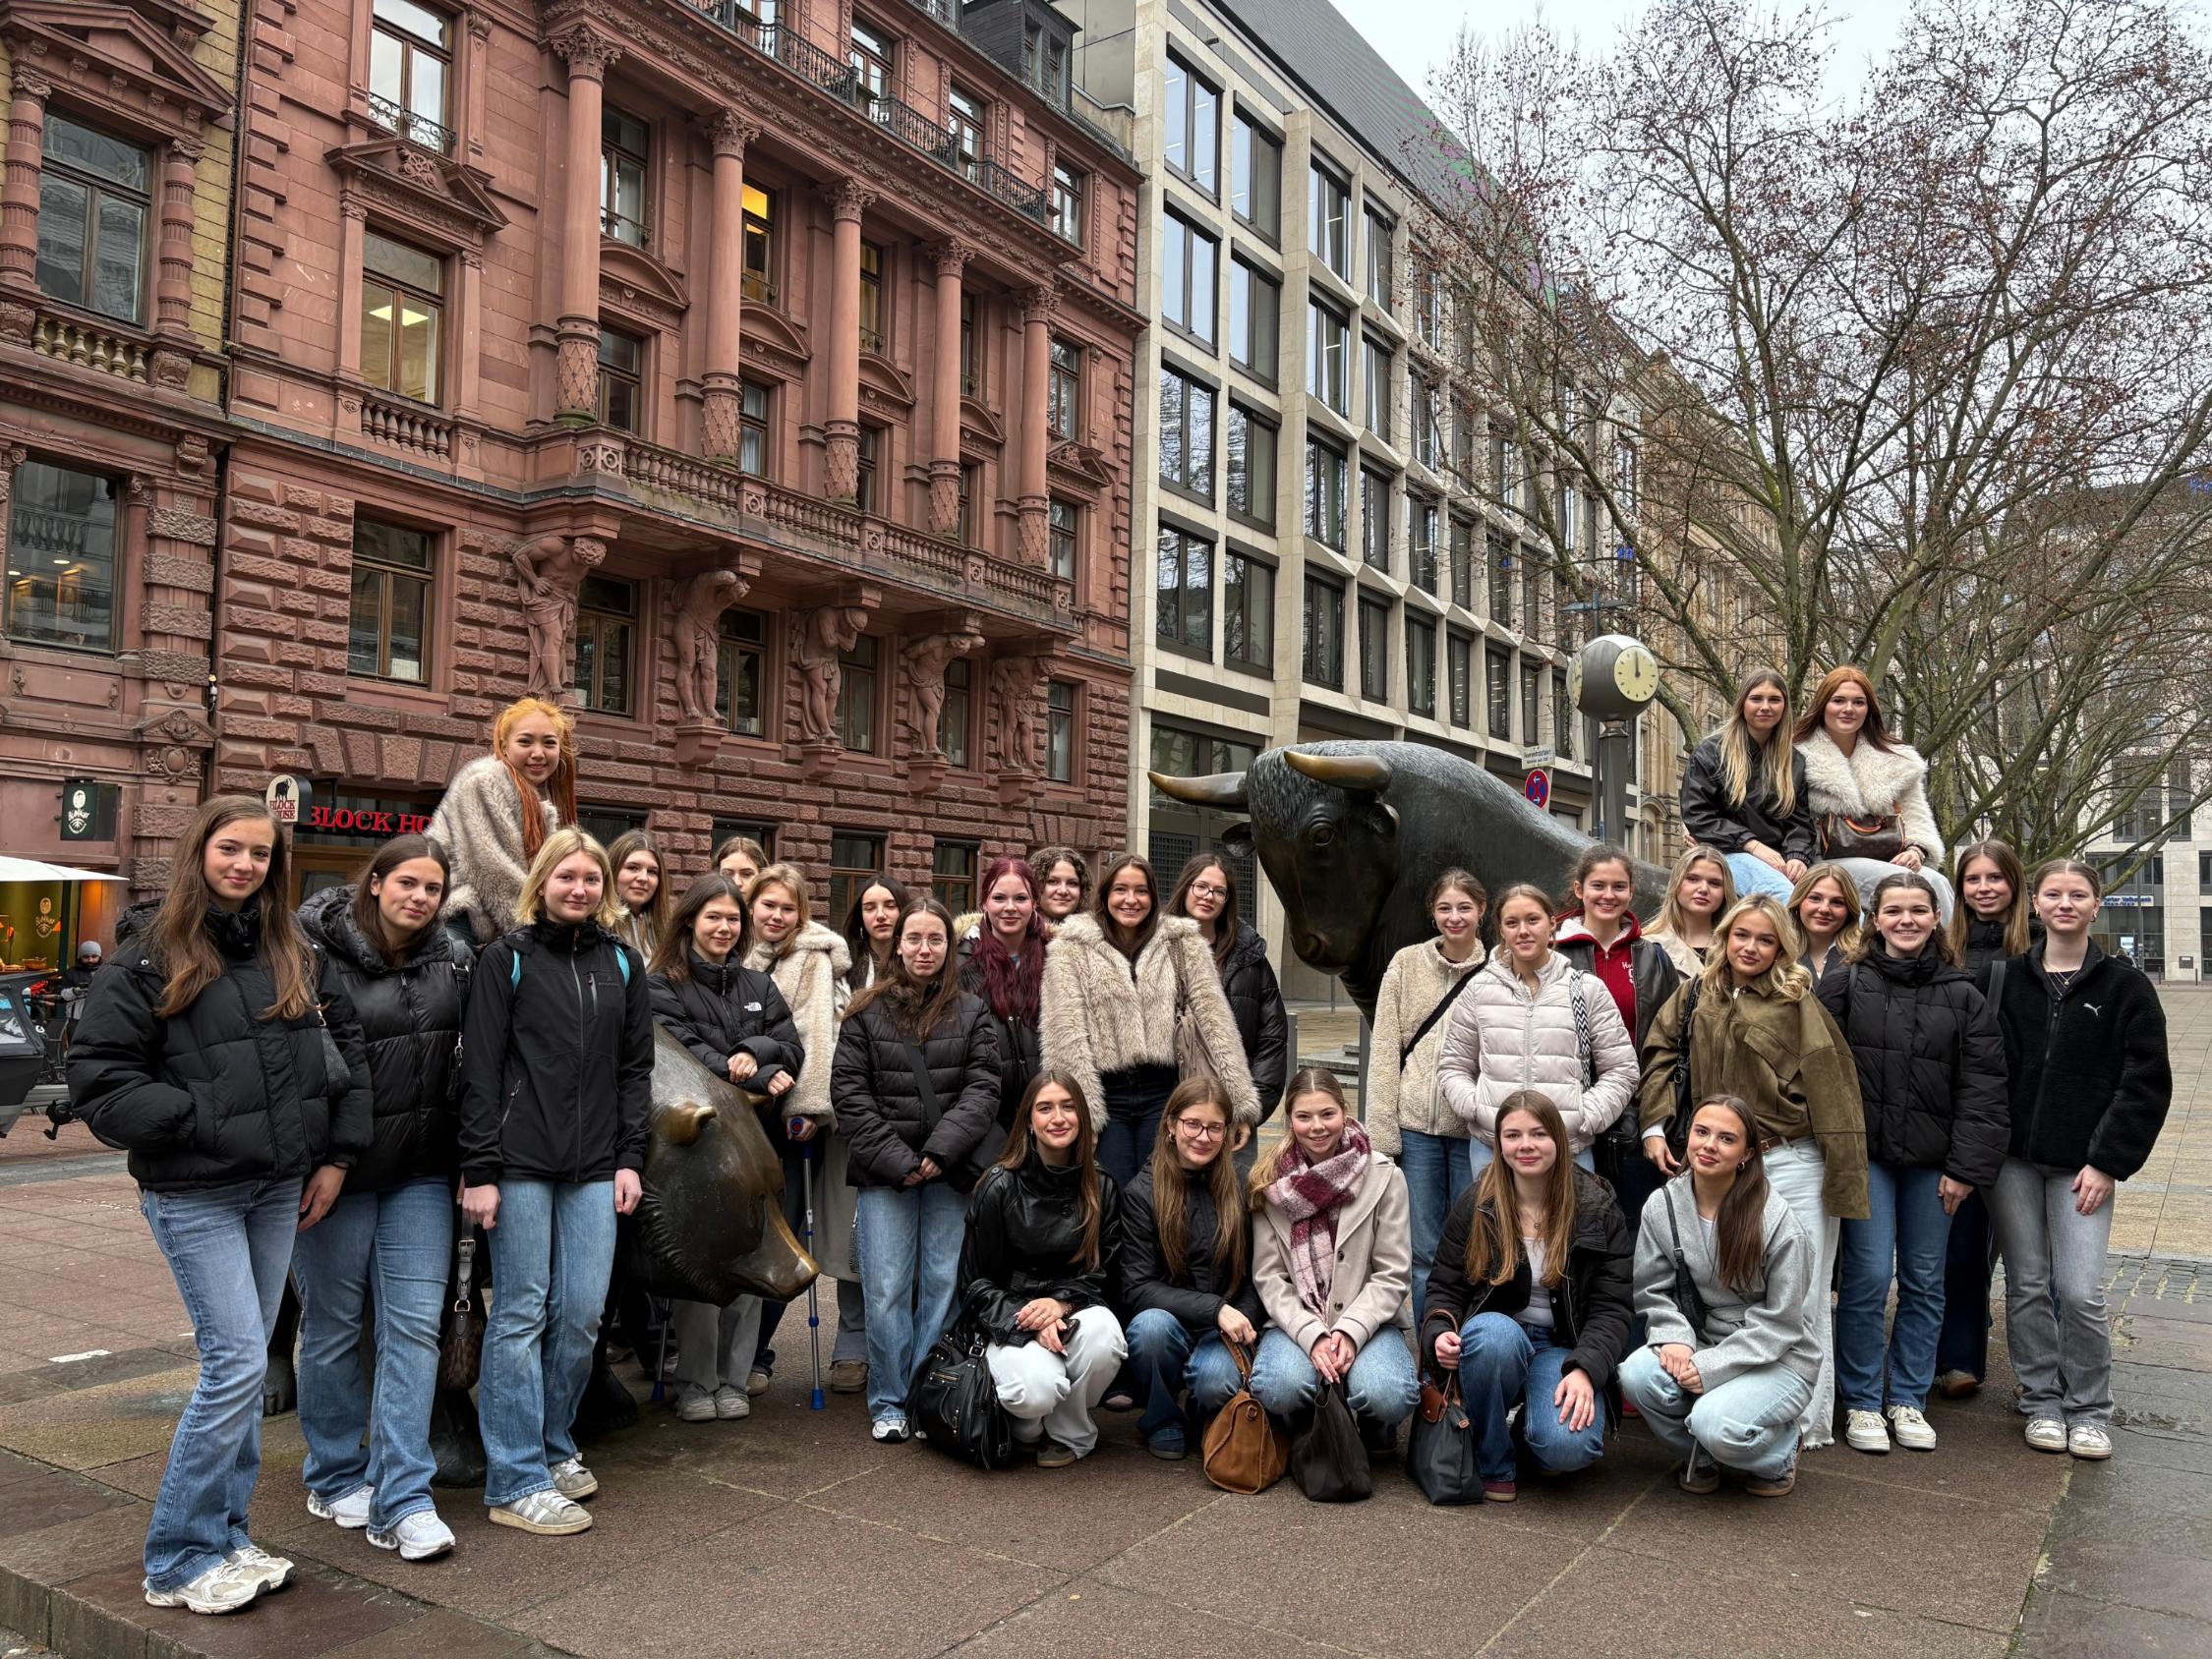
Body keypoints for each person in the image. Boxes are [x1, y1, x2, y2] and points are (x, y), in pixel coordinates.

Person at [69, 797, 372, 1614]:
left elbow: (340, 1062)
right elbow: (99, 1079)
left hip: (277, 1190)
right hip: (195, 1190)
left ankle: (227, 1536)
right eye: (229, 849)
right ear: (199, 852)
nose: (244, 865)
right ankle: (177, 1559)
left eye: (261, 855)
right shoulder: (146, 957)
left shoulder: (288, 951)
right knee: (237, 1365)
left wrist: (333, 1156)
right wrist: (196, 1121)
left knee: (236, 1376)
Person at [457, 827, 651, 1535]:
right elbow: (478, 1071)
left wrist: (630, 1158)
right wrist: (480, 1170)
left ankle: (553, 1441)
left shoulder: (623, 965)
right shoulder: (505, 960)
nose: (579, 888)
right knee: (520, 1314)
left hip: (596, 1166)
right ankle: (514, 1477)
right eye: (566, 876)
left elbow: (636, 1073)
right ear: (542, 881)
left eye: (591, 879)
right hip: (520, 1164)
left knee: (581, 1317)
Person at [291, 836, 468, 1563]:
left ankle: (404, 1495)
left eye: (432, 888)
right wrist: (328, 1158)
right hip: (340, 1171)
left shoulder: (453, 959)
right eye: (408, 884)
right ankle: (334, 1474)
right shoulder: (315, 952)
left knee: (413, 1329)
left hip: (420, 1174)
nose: (419, 898)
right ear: (375, 883)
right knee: (332, 1326)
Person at [1638, 893, 1867, 1451]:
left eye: (1766, 939)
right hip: (1715, 1161)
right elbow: (1660, 1053)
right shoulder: (1696, 993)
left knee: (1804, 1296)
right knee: (1725, 1290)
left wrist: (1844, 1182)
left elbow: (1836, 1094)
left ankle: (1804, 1429)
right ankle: (1735, 1406)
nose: (1751, 947)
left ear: (1781, 947)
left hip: (1787, 1159)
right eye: (1743, 935)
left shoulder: (1797, 1002)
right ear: (1725, 937)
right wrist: (1655, 1123)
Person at [1987, 859, 2172, 1461]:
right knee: (2027, 1284)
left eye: (2078, 895)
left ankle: (2089, 1408)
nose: (2065, 904)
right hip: (2013, 1161)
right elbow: (1986, 1070)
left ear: (2097, 905)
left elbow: (2144, 1082)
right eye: (2053, 894)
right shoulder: (2007, 979)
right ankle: (2041, 1399)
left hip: (2083, 1167)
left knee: (2081, 1289)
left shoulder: (2126, 988)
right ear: (2035, 904)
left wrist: (2108, 1161)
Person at [1818, 873, 2008, 1456]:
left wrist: (1966, 1166)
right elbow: (1818, 1065)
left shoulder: (1964, 992)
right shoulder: (1847, 981)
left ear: (1935, 919)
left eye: (1918, 911)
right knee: (1869, 1278)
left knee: (1926, 1281)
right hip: (1867, 1156)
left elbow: (1984, 1086)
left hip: (1935, 1163)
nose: (1906, 920)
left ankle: (1906, 1396)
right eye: (1894, 910)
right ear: (1875, 920)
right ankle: (1862, 1401)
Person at [833, 896, 1003, 1442]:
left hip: (949, 1173)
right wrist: (902, 1162)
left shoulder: (973, 1011)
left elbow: (983, 1089)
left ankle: (927, 1391)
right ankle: (887, 1399)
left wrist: (938, 1154)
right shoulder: (864, 1011)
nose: (923, 949)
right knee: (884, 1289)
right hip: (886, 1177)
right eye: (914, 939)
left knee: (940, 1285)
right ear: (897, 945)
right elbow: (850, 1096)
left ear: (949, 948)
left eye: (935, 939)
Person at [647, 873, 804, 1423]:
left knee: (752, 1258)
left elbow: (791, 1045)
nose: (724, 927)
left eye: (733, 919)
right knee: (707, 1265)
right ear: (690, 919)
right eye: (713, 916)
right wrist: (747, 1073)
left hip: (755, 1146)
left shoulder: (758, 985)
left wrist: (752, 1053)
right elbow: (675, 1049)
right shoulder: (662, 983)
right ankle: (696, 1380)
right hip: (701, 1153)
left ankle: (734, 1379)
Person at [1423, 1091, 1634, 1501]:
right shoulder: (1478, 1202)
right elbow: (1445, 1286)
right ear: (1497, 1143)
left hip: (1563, 1348)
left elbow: (1612, 1307)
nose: (1526, 1146)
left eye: (1538, 1134)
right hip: (1497, 1343)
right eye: (1513, 1135)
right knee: (1491, 1335)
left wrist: (1586, 1369)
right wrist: (1437, 1334)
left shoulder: (1596, 1206)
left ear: (1558, 1137)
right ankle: (1492, 1459)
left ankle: (1529, 1431)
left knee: (1569, 1449)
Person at [1620, 1095, 1822, 1498]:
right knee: (1636, 1374)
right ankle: (1705, 1455)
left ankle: (1780, 1450)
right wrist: (1673, 1334)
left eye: (1726, 1139)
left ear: (1747, 1154)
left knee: (1715, 1423)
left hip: (1779, 1356)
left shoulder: (1779, 1223)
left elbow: (1783, 1321)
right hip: (1703, 1337)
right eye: (1701, 1132)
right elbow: (1651, 1289)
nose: (1709, 1145)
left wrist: (1712, 1366)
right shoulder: (1663, 1205)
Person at [1039, 854, 1258, 1190]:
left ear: (1153, 897)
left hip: (1165, 1092)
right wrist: (1083, 1114)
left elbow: (1217, 1025)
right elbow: (1065, 1035)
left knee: (1165, 1193)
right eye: (1121, 890)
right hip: (1106, 1094)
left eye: (1141, 891)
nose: (1131, 900)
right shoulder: (1071, 946)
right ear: (1105, 895)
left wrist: (1239, 1104)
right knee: (1112, 1192)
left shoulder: (1182, 942)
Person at [958, 1071, 1128, 1464]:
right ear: (1029, 1121)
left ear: (1083, 1118)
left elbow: (1105, 1273)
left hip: (1069, 1311)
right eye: (1045, 1108)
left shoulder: (1101, 1186)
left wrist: (1060, 1304)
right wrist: (1032, 1317)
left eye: (1069, 1107)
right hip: (1008, 1317)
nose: (1058, 1118)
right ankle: (1026, 1428)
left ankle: (1069, 1433)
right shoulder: (998, 1185)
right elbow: (973, 1283)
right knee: (1036, 1391)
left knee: (1106, 1335)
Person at [1248, 1068, 1421, 1447]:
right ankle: (1307, 1419)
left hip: (1366, 1321)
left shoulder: (1384, 1177)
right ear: (1289, 1119)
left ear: (1344, 1111)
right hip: (1298, 1320)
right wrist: (1312, 1335)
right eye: (1304, 1116)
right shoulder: (1269, 1184)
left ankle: (1375, 1421)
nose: (1317, 1127)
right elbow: (1269, 1278)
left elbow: (1392, 1274)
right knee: (1279, 1388)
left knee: (1389, 1394)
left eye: (1327, 1114)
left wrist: (1349, 1331)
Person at [743, 864, 865, 1394]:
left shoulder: (811, 957)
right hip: (738, 1111)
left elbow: (815, 1035)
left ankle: (756, 1351)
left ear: (802, 915)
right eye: (768, 905)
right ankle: (724, 1351)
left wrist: (809, 1107)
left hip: (787, 1116)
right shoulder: (736, 949)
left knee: (783, 1231)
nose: (776, 916)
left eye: (787, 908)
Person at [1434, 883, 1637, 1180]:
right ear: (1502, 930)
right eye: (1512, 923)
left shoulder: (1586, 989)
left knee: (1571, 1228)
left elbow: (1621, 1069)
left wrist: (1584, 1116)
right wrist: (1478, 1108)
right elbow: (1453, 1065)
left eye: (1533, 920)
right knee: (1495, 1227)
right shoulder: (1478, 990)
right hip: (1494, 1149)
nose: (1523, 931)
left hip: (1568, 1149)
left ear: (1552, 924)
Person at [1935, 838, 2038, 1399]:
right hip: (1963, 1112)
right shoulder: (1945, 949)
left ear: (2014, 884)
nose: (1983, 889)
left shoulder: (2040, 947)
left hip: (2023, 1116)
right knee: (1964, 1245)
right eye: (1972, 879)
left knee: (2030, 1256)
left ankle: (2041, 1373)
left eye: (1994, 878)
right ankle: (1959, 1358)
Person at [1367, 870, 1488, 1320]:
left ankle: (1462, 1344)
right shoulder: (1405, 964)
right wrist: (1382, 1132)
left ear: (1481, 910)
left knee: (1472, 1243)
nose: (1454, 917)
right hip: (1415, 1128)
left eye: (1463, 907)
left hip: (1470, 1131)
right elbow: (1384, 1048)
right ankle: (1427, 1356)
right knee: (1422, 1251)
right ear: (1432, 913)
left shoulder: (1495, 969)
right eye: (1444, 908)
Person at [1122, 1077, 1265, 1459]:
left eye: (1215, 1127)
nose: (1203, 1137)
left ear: (1228, 1132)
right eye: (1193, 1124)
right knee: (1149, 1330)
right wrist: (1214, 1309)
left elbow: (1259, 1275)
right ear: (1171, 1126)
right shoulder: (1143, 1192)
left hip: (1229, 1325)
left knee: (1215, 1381)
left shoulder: (1239, 1186)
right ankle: (1162, 1415)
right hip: (1174, 1322)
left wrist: (1243, 1319)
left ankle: (1203, 1410)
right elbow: (1137, 1287)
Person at [1553, 846, 1682, 1268]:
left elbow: (1667, 1040)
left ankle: (1633, 1328)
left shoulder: (1651, 956)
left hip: (1635, 1112)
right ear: (1579, 890)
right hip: (1571, 1109)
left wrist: (1658, 1114)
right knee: (1574, 1226)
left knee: (1634, 1225)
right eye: (1598, 886)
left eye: (1619, 886)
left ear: (1632, 892)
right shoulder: (1553, 953)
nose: (1608, 895)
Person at [1795, 665, 1952, 917]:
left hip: (1889, 858)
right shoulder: (1796, 757)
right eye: (1838, 701)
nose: (1849, 709)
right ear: (1822, 705)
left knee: (1937, 881)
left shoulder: (1898, 760)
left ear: (1869, 709)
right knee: (1923, 886)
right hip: (1822, 862)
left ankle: (1950, 951)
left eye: (1858, 702)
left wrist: (1916, 851)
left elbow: (1917, 818)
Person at [1165, 854, 1288, 1174]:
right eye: (1201, 886)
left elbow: (1272, 1037)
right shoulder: (1156, 947)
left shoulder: (1249, 956)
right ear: (1185, 888)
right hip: (1171, 1108)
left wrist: (1249, 1112)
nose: (1209, 896)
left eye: (1219, 891)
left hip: (1232, 1112)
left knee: (1234, 1204)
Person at [429, 697, 576, 945]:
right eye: (525, 742)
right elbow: (489, 869)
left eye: (549, 743)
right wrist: (537, 932)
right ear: (503, 746)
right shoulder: (484, 780)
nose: (538, 753)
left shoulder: (536, 801)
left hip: (496, 925)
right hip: (462, 918)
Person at [1680, 668, 1819, 903]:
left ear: (1784, 706)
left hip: (1781, 858)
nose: (1765, 706)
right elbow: (1698, 815)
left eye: (1774, 699)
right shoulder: (1712, 752)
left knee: (1840, 902)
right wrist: (1751, 845)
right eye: (1756, 699)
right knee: (1787, 897)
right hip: (1729, 853)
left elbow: (1800, 824)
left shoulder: (1794, 761)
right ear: (1743, 703)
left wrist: (1797, 856)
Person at [960, 858, 1047, 1154]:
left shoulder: (1057, 961)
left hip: (1046, 1121)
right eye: (999, 898)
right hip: (983, 1125)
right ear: (984, 902)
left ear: (1034, 902)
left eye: (1020, 898)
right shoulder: (961, 965)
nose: (1010, 907)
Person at [1643, 845, 1735, 977]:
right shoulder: (1648, 946)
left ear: (1726, 892)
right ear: (1676, 883)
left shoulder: (1740, 947)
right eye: (1692, 879)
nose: (1703, 889)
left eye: (1714, 883)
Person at [1789, 863, 1863, 981]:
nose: (1824, 909)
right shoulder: (1776, 951)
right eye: (1815, 898)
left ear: (1849, 910)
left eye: (1837, 902)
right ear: (1798, 902)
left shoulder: (1864, 957)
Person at [606, 830, 670, 962]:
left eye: (652, 871)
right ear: (613, 870)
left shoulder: (669, 929)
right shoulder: (594, 926)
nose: (643, 878)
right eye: (632, 868)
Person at [842, 875, 909, 997]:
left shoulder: (921, 960)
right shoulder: (844, 965)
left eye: (890, 906)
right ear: (860, 917)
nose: (880, 915)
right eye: (870, 908)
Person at [1029, 846, 1090, 927]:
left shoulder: (1098, 936)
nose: (1063, 891)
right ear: (1035, 886)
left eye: (1072, 883)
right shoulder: (1017, 935)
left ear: (1082, 890)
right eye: (1053, 882)